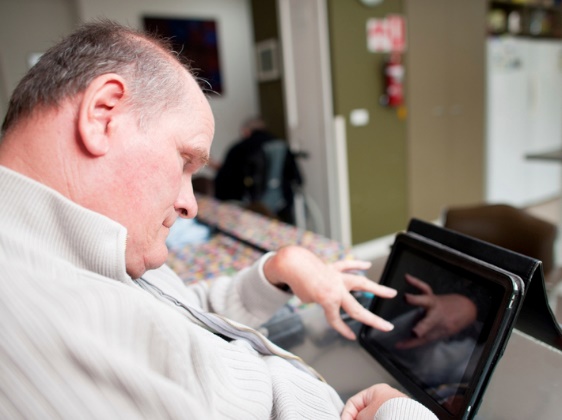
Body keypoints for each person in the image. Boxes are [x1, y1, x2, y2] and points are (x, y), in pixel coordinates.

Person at [0, 20, 437, 419]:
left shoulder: (82, 248)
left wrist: (270, 274)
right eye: (185, 160)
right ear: (103, 113)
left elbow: (179, 320)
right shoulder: (33, 318)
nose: (191, 203)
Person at [214, 117, 302, 223]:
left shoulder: (239, 149)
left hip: (251, 209)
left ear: (245, 131)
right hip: (283, 207)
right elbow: (298, 179)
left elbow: (224, 182)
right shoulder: (282, 145)